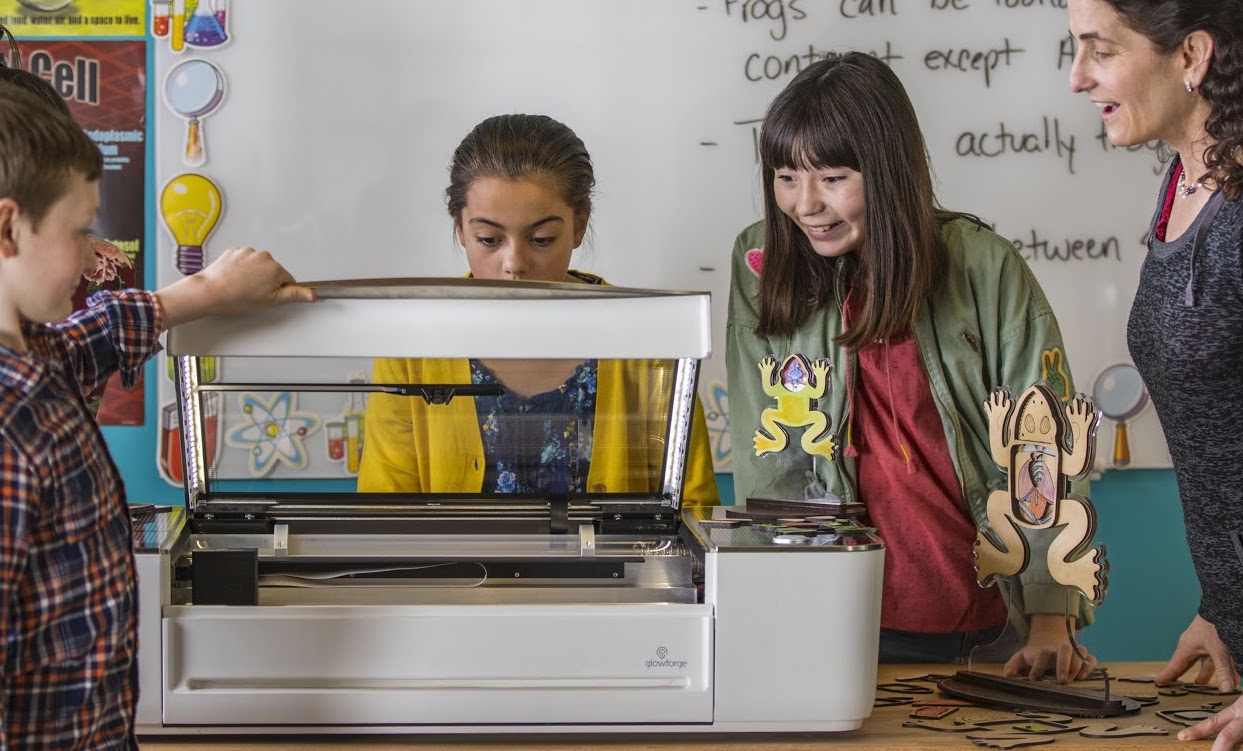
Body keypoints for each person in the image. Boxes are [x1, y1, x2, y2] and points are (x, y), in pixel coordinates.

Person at [726, 52, 1096, 680]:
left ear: (888, 170)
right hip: (833, 616)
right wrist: (777, 602)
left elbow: (1043, 442)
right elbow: (771, 456)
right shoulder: (761, 261)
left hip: (987, 616)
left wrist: (1051, 614)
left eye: (834, 177)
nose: (804, 203)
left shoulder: (982, 265)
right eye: (786, 176)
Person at [0, 85, 314, 749]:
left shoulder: (37, 348)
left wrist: (204, 292)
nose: (95, 256)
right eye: (81, 230)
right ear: (7, 228)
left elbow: (100, 330)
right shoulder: (9, 424)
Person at [358, 114, 718, 506]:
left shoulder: (646, 340)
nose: (515, 263)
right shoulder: (411, 346)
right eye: (489, 239)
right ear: (460, 229)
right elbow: (386, 513)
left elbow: (693, 512)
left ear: (579, 225)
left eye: (542, 238)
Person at [1069, 1, 1243, 747]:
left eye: (1097, 50)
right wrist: (1221, 604)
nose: (1076, 78)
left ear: (1191, 55)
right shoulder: (1186, 181)